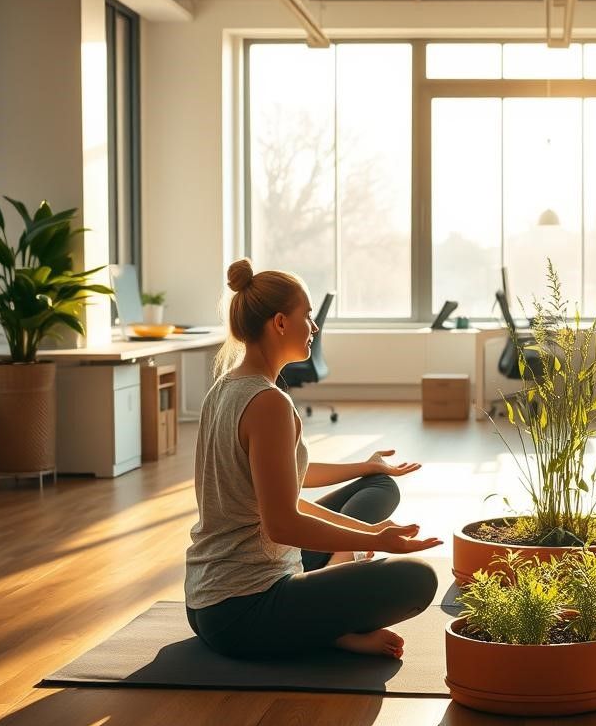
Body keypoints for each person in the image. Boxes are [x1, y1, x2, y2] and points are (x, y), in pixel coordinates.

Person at [185, 258, 441, 660]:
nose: (314, 327)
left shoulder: (224, 387)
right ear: (281, 323)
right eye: (307, 316)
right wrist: (371, 538)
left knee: (378, 487)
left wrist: (365, 524)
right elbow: (283, 523)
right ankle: (332, 627)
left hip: (206, 603)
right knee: (418, 579)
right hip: (245, 610)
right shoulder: (267, 402)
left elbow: (281, 499)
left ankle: (331, 594)